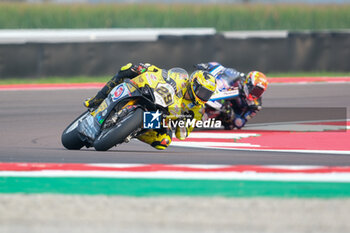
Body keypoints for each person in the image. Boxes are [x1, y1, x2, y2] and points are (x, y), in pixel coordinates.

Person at [84, 62, 217, 150]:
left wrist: (182, 122)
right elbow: (163, 74)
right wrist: (146, 68)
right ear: (193, 84)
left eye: (207, 94)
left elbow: (182, 134)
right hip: (153, 94)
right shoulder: (181, 78)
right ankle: (97, 99)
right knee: (128, 68)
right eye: (202, 91)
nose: (203, 96)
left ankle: (131, 131)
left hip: (163, 117)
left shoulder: (197, 109)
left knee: (163, 143)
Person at [195, 62, 268, 130]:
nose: (255, 93)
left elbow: (240, 123)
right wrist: (207, 66)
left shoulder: (256, 105)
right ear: (249, 83)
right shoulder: (238, 78)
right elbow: (221, 68)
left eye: (259, 91)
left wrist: (233, 116)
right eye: (255, 89)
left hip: (230, 114)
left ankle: (204, 117)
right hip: (220, 97)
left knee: (231, 125)